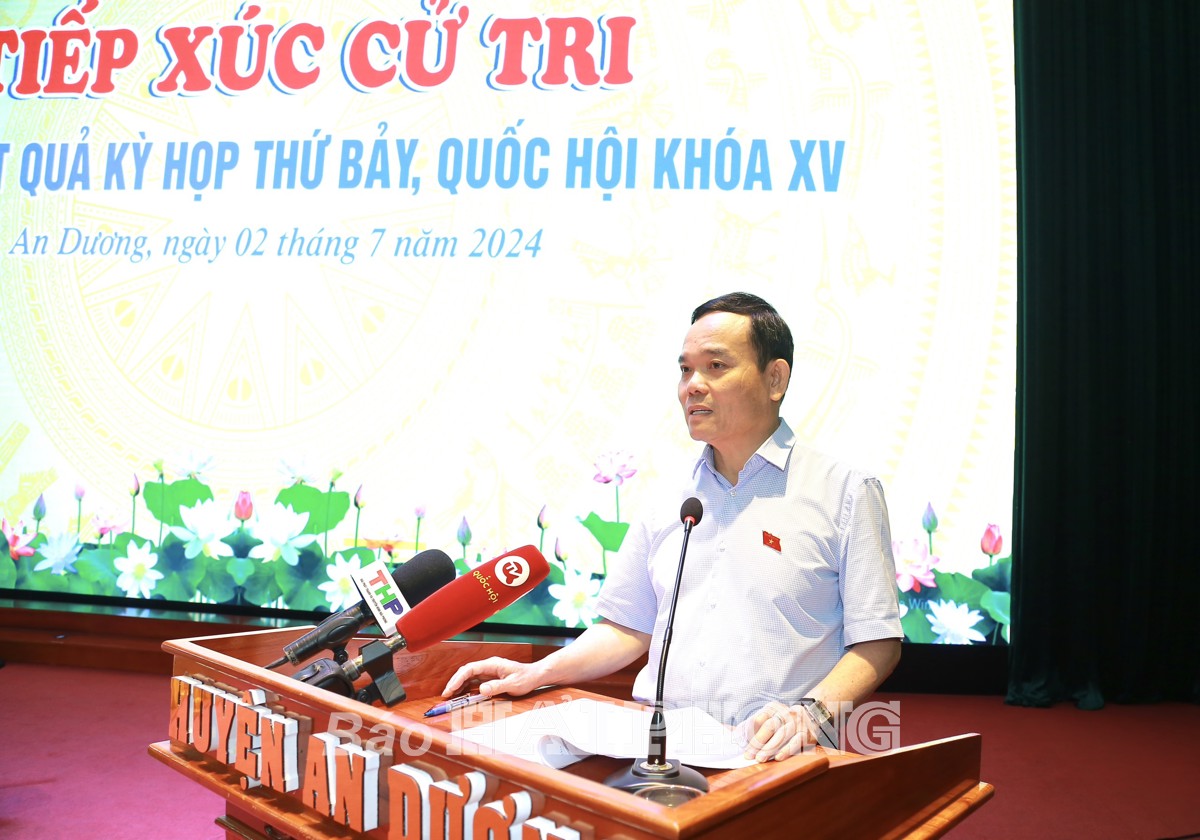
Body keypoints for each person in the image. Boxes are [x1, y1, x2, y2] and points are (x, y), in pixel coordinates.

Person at [442, 292, 902, 762]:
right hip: (659, 755)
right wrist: (537, 672)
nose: (693, 386)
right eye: (685, 370)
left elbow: (878, 642)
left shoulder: (845, 490)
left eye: (716, 366)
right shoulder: (671, 497)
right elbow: (626, 628)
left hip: (774, 757)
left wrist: (810, 715)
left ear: (775, 379)